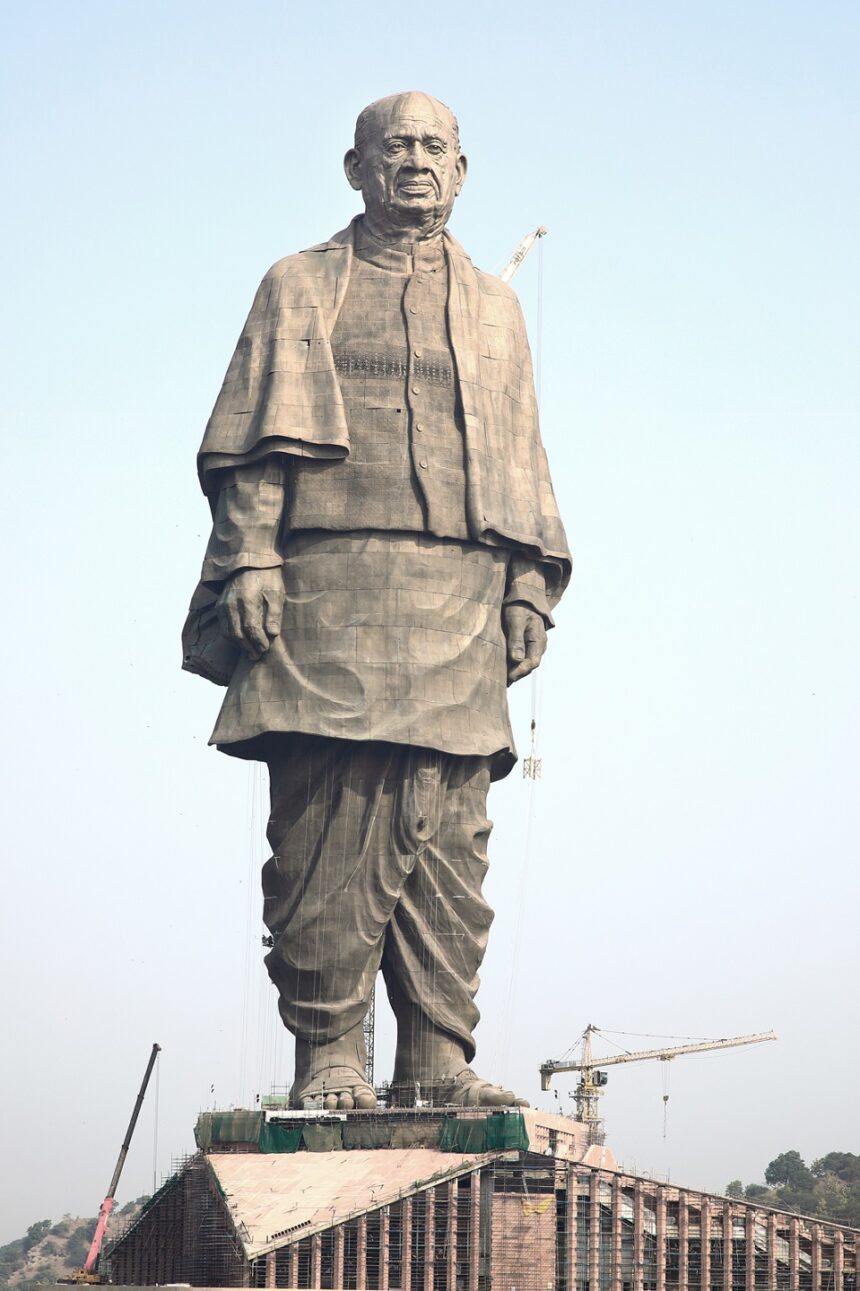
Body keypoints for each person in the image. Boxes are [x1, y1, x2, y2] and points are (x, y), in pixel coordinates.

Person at [183, 92, 571, 1110]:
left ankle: (438, 1059)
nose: (412, 160)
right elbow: (255, 443)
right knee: (325, 823)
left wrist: (527, 585)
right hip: (328, 589)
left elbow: (524, 456)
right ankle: (330, 1056)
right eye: (391, 146)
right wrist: (252, 559)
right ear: (353, 168)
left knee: (451, 833)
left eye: (431, 147)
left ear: (461, 168)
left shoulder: (496, 307)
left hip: (460, 592)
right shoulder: (300, 283)